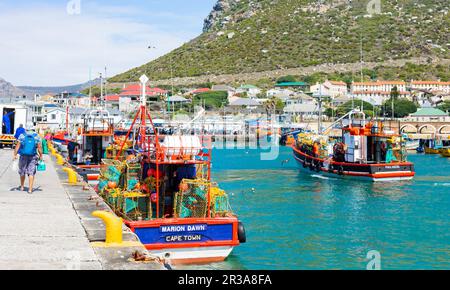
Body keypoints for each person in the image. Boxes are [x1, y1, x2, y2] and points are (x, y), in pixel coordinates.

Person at [13, 130, 43, 194]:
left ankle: (22, 186)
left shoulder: (22, 135)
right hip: (33, 156)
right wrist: (41, 156)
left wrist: (15, 154)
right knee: (31, 172)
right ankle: (30, 189)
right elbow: (39, 147)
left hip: (23, 155)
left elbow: (17, 146)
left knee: (22, 171)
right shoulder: (37, 136)